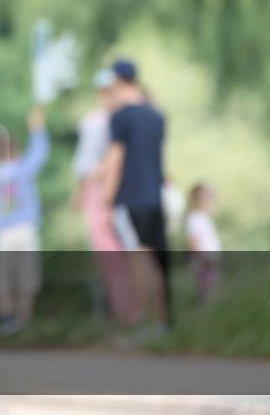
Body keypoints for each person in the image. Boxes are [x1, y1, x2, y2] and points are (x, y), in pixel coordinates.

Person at [102, 58, 171, 339]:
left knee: (138, 260)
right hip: (155, 197)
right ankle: (162, 323)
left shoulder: (120, 117)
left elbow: (115, 161)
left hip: (131, 198)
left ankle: (144, 325)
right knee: (156, 260)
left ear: (117, 81)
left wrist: (107, 200)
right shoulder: (157, 115)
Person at [71, 70, 138, 326]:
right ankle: (124, 315)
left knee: (126, 256)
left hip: (115, 192)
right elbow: (86, 162)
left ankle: (132, 315)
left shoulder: (119, 119)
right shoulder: (96, 121)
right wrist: (83, 191)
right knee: (113, 259)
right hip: (101, 192)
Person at [0, 107, 49, 335]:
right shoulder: (23, 168)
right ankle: (24, 319)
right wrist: (38, 128)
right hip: (25, 228)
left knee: (2, 277)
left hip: (2, 231)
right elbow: (40, 152)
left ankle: (7, 318)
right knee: (27, 276)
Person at [186, 182, 222, 306]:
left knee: (213, 291)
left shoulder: (204, 216)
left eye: (208, 197)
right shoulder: (194, 219)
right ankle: (204, 314)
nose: (208, 200)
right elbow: (192, 244)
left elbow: (214, 200)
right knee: (208, 295)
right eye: (204, 198)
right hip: (204, 263)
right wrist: (204, 259)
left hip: (210, 261)